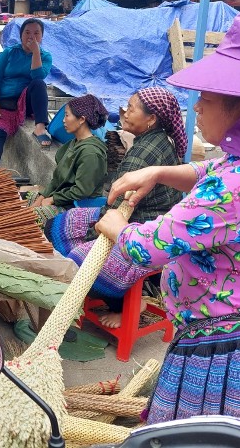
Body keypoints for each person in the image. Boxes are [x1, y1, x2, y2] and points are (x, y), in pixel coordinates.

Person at [95, 7, 240, 446]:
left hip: (224, 356)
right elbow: (210, 175)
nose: (197, 104)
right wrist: (160, 173)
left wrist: (113, 225)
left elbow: (149, 248)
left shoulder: (238, 185)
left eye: (209, 95)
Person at [47, 87, 185, 328]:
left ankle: (124, 305)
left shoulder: (143, 154)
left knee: (80, 260)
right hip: (133, 214)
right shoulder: (153, 139)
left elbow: (116, 208)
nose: (125, 112)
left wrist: (92, 235)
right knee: (62, 223)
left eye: (131, 108)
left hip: (145, 227)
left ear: (151, 119)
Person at [28, 95, 108, 228]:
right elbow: (57, 180)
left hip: (76, 206)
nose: (63, 121)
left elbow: (81, 191)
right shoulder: (73, 143)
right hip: (63, 198)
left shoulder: (91, 153)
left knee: (32, 217)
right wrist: (42, 197)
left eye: (67, 116)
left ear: (82, 119)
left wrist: (53, 199)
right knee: (28, 199)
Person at [0, 18, 53, 165]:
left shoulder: (45, 56)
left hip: (26, 101)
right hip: (5, 102)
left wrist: (36, 52)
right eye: (27, 32)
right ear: (21, 35)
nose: (31, 36)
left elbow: (38, 76)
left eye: (36, 33)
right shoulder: (9, 53)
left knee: (39, 83)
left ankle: (40, 128)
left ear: (41, 36)